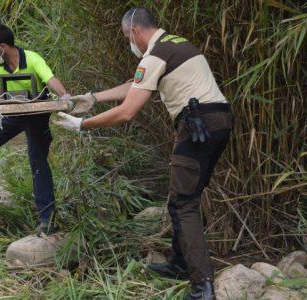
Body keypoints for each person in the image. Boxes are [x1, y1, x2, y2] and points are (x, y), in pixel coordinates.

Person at [53, 7, 232, 300]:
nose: (128, 42)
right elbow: (135, 84)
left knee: (184, 204)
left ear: (135, 31)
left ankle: (202, 287)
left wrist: (82, 124)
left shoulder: (155, 55)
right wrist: (93, 98)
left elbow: (127, 112)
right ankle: (178, 263)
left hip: (198, 127)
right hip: (219, 121)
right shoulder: (175, 44)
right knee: (183, 199)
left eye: (126, 36)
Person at [0, 23, 70, 237]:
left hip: (37, 114)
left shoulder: (31, 58)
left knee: (37, 161)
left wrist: (65, 95)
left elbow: (50, 79)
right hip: (11, 114)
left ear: (2, 47)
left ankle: (47, 218)